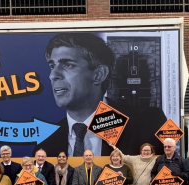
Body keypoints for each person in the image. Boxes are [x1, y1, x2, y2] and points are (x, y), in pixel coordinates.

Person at [34, 32, 167, 157]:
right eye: (52, 66)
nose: (53, 75)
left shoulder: (149, 123)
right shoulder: (45, 147)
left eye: (68, 65)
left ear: (99, 74)